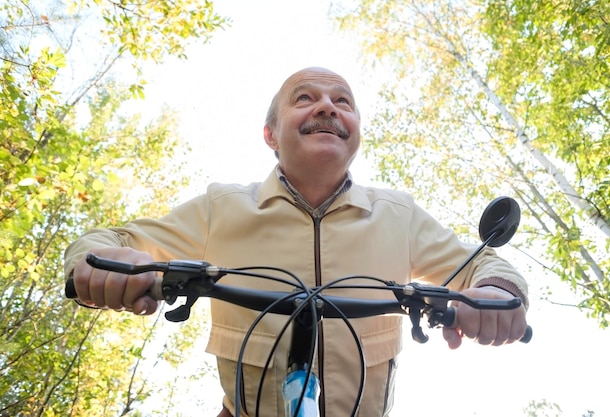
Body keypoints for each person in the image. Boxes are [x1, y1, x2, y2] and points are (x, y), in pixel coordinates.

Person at [64, 67, 529, 417]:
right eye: (305, 98)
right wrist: (104, 261)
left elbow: (483, 265)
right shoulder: (220, 207)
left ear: (357, 134)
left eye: (342, 101)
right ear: (271, 134)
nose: (327, 107)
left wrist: (498, 293)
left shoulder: (399, 215)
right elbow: (106, 240)